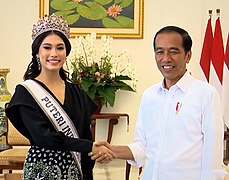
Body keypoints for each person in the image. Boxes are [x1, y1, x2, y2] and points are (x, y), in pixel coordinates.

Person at [91, 26, 225, 179]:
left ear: (188, 56)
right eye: (160, 52)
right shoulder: (150, 95)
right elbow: (142, 146)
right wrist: (111, 149)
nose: (166, 58)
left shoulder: (206, 94)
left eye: (173, 51)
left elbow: (213, 158)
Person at [5, 14, 115, 180]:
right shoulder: (26, 92)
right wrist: (90, 146)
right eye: (47, 47)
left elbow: (85, 134)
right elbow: (44, 138)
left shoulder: (77, 92)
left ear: (66, 52)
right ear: (37, 51)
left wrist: (93, 156)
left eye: (60, 47)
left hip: (74, 170)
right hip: (41, 170)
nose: (54, 53)